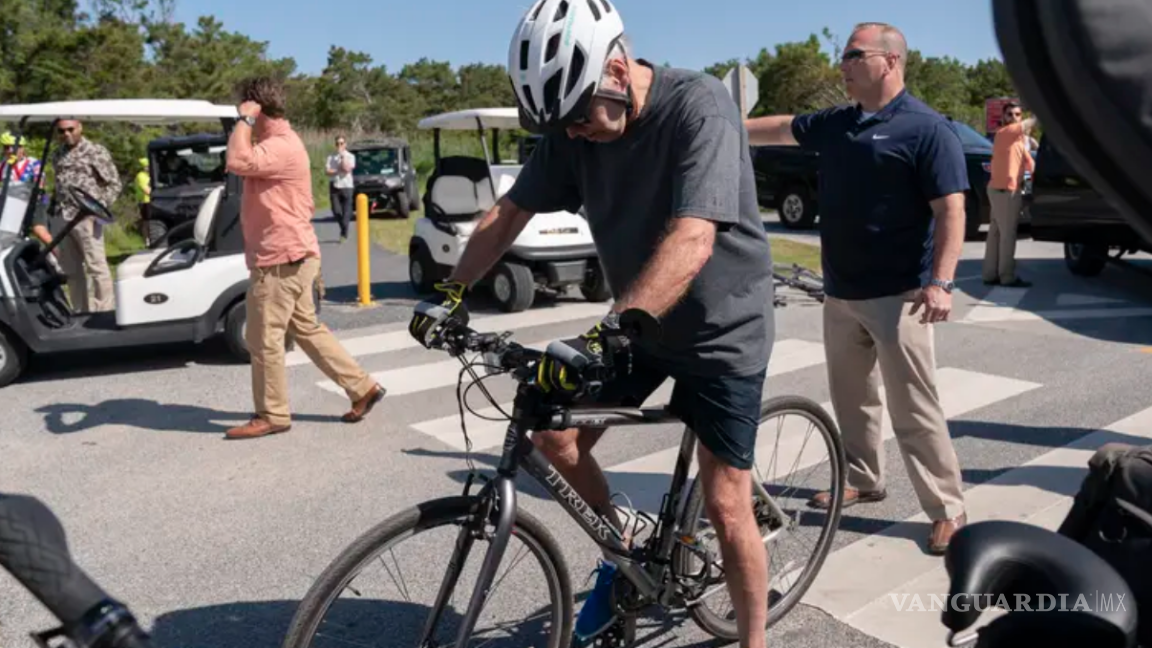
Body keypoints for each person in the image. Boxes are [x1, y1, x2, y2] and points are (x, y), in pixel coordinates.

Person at [409, 2, 775, 645]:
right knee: (552, 437)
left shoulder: (700, 104)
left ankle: (754, 640)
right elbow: (509, 212)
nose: (573, 134)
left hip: (723, 331)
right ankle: (623, 546)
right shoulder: (570, 128)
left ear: (616, 68)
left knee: (724, 505)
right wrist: (450, 292)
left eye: (580, 117)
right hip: (640, 325)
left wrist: (609, 331)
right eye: (559, 124)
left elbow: (693, 238)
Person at [744, 22, 968, 555]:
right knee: (852, 399)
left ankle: (948, 509)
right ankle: (864, 480)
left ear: (889, 61)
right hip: (841, 292)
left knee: (914, 408)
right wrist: (721, 122)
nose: (842, 64)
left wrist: (941, 282)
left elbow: (951, 210)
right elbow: (780, 128)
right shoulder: (839, 123)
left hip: (902, 296)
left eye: (852, 54)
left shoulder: (926, 129)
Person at [224, 75, 385, 440]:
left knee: (264, 338)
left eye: (243, 108)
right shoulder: (278, 143)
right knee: (307, 329)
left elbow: (236, 159)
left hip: (280, 259)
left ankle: (272, 414)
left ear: (255, 107)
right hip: (292, 255)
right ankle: (362, 387)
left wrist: (244, 120)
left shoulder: (279, 145)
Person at [50, 119, 120, 313]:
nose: (66, 134)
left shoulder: (95, 151)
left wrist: (98, 209)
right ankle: (81, 311)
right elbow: (59, 185)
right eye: (61, 131)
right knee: (71, 270)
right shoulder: (57, 154)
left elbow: (113, 184)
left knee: (96, 266)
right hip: (63, 216)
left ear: (80, 127)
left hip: (86, 217)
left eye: (70, 129)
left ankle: (104, 311)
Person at [983, 101, 1036, 287]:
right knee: (1007, 234)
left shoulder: (1019, 142)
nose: (1013, 118)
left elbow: (1030, 165)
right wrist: (1043, 111)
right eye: (1010, 114)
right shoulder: (1005, 133)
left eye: (1017, 114)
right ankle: (1007, 276)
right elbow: (1027, 125)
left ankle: (990, 274)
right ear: (1004, 118)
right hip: (1005, 191)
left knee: (996, 233)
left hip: (1001, 190)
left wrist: (1031, 186)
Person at [325, 136, 356, 242]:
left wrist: (342, 157)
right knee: (336, 210)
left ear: (345, 144)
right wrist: (337, 171)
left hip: (347, 185)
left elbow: (346, 168)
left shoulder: (350, 156)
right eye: (338, 144)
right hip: (335, 185)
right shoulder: (331, 157)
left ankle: (344, 233)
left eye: (341, 143)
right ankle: (344, 227)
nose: (339, 146)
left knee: (347, 212)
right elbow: (327, 171)